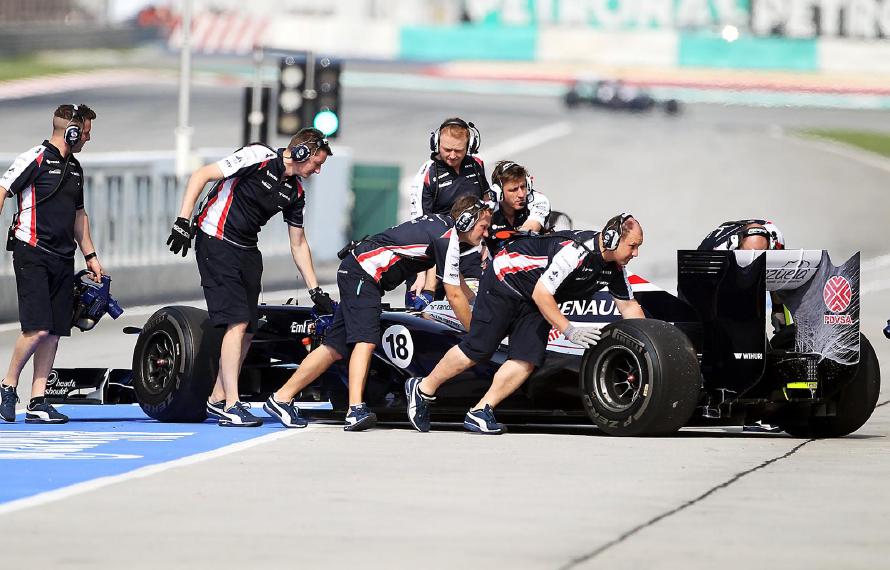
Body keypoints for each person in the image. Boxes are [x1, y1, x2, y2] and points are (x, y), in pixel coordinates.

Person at [266, 195, 492, 431]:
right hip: (364, 275)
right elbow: (454, 295)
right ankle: (355, 410)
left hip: (358, 272)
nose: (485, 234)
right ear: (466, 220)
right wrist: (476, 332)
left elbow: (458, 283)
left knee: (334, 347)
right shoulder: (447, 238)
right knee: (365, 340)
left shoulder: (443, 228)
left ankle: (281, 398)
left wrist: (477, 302)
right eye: (483, 227)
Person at [406, 213, 646, 434]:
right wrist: (569, 330)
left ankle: (480, 411)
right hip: (505, 280)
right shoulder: (576, 252)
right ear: (613, 240)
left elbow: (629, 306)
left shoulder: (615, 269)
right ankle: (422, 388)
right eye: (632, 246)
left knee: (527, 357)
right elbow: (543, 294)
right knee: (479, 348)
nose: (635, 254)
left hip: (533, 297)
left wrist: (648, 346)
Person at [166, 128, 335, 427]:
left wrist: (315, 289)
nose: (318, 171)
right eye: (316, 163)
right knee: (237, 321)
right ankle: (233, 404)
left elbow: (298, 242)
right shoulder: (258, 156)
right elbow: (201, 175)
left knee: (249, 329)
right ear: (301, 153)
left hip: (247, 249)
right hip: (215, 239)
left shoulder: (295, 192)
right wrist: (182, 220)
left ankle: (218, 398)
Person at [0, 104, 103, 424]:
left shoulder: (76, 168)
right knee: (36, 329)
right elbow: (3, 190)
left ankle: (38, 399)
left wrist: (91, 256)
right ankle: (7, 386)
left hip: (63, 257)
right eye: (85, 132)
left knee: (55, 331)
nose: (88, 138)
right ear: (71, 132)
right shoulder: (34, 158)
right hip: (32, 253)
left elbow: (79, 215)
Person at [698, 219, 786, 433]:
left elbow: (778, 275)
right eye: (750, 253)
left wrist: (777, 309)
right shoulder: (718, 250)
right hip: (708, 283)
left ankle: (761, 401)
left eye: (761, 253)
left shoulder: (776, 240)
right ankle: (733, 400)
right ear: (738, 245)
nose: (755, 258)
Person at [406, 118, 490, 304]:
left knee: (474, 307)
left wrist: (486, 243)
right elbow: (418, 230)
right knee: (422, 314)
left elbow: (487, 204)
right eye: (447, 149)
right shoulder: (427, 174)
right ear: (436, 144)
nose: (452, 155)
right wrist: (421, 276)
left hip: (468, 254)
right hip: (430, 258)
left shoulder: (476, 166)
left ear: (470, 146)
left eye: (458, 150)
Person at [485, 160, 551, 252]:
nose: (521, 194)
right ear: (498, 192)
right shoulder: (486, 211)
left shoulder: (539, 200)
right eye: (514, 189)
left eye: (523, 187)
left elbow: (530, 228)